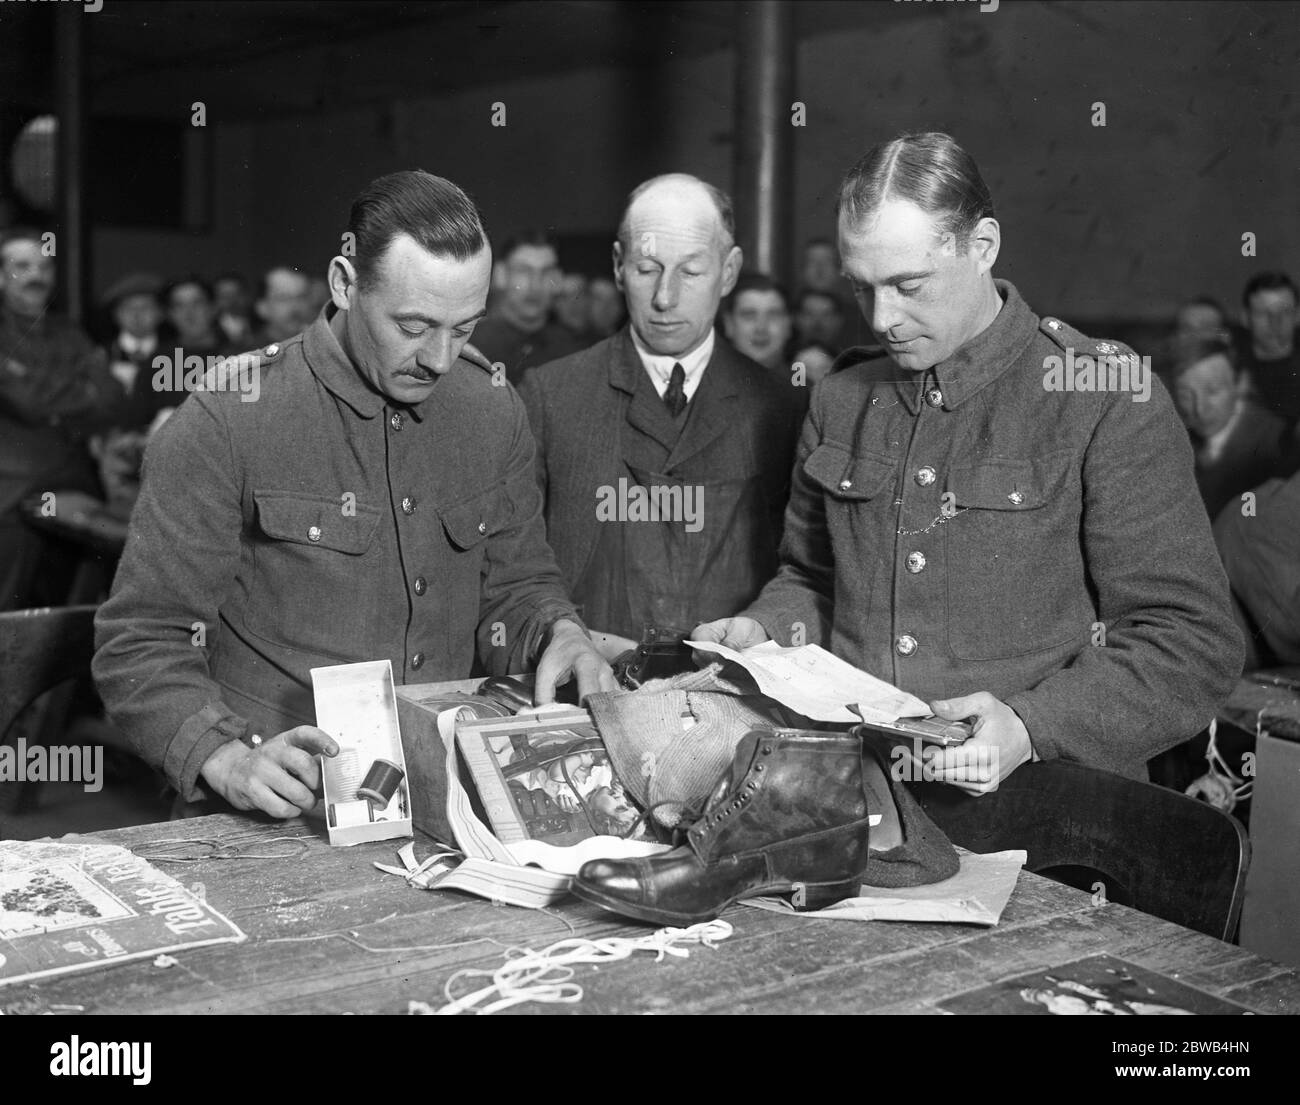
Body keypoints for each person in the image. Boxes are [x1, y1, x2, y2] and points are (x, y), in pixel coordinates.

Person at [693, 132, 1243, 793]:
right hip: (860, 799)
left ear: (982, 246)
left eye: (908, 285)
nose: (883, 318)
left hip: (1053, 813)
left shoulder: (1097, 395)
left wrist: (1033, 724)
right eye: (861, 288)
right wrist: (766, 626)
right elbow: (811, 579)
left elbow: (1192, 640)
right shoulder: (841, 399)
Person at [94, 170, 616, 820]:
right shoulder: (230, 418)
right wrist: (226, 758)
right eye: (415, 325)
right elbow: (141, 638)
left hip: (439, 802)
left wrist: (557, 630)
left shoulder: (491, 409)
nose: (440, 358)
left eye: (465, 328)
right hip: (265, 819)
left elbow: (516, 584)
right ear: (344, 282)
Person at [518, 173, 802, 643]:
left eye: (691, 272)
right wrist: (558, 632)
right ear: (617, 266)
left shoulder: (782, 406)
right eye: (647, 270)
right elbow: (515, 564)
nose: (665, 298)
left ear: (728, 272)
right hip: (588, 689)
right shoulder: (551, 395)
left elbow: (803, 573)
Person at [0, 228, 124, 609]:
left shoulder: (69, 330)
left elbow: (111, 399)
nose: (36, 276)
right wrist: (78, 393)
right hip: (12, 487)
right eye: (22, 266)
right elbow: (28, 402)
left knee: (80, 604)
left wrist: (40, 384)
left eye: (44, 266)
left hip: (76, 481)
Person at [1169, 333, 1300, 520]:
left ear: (1241, 384)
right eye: (1186, 395)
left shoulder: (1277, 444)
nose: (1200, 408)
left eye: (1213, 391)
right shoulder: (1177, 438)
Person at [470, 230, 581, 385]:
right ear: (500, 275)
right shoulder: (471, 347)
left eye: (546, 272)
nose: (535, 285)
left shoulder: (572, 352)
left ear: (557, 279)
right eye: (523, 271)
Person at [1236, 272, 1300, 426]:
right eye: (1263, 313)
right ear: (1245, 317)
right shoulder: (1232, 367)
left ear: (1298, 315)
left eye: (1284, 312)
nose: (1275, 322)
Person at [719, 273, 793, 373]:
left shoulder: (806, 387)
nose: (761, 328)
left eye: (773, 316)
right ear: (729, 324)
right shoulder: (701, 386)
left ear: (788, 325)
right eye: (749, 316)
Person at [253, 266, 312, 346]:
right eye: (283, 298)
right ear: (262, 307)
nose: (295, 307)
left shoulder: (323, 350)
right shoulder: (246, 355)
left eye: (301, 297)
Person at [794, 287, 847, 352]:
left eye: (826, 315)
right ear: (797, 318)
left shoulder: (852, 360)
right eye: (809, 314)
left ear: (839, 320)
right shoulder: (784, 360)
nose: (817, 322)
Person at [213, 272, 254, 348]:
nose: (232, 301)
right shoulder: (210, 333)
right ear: (216, 301)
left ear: (247, 296)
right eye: (225, 296)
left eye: (237, 294)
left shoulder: (261, 325)